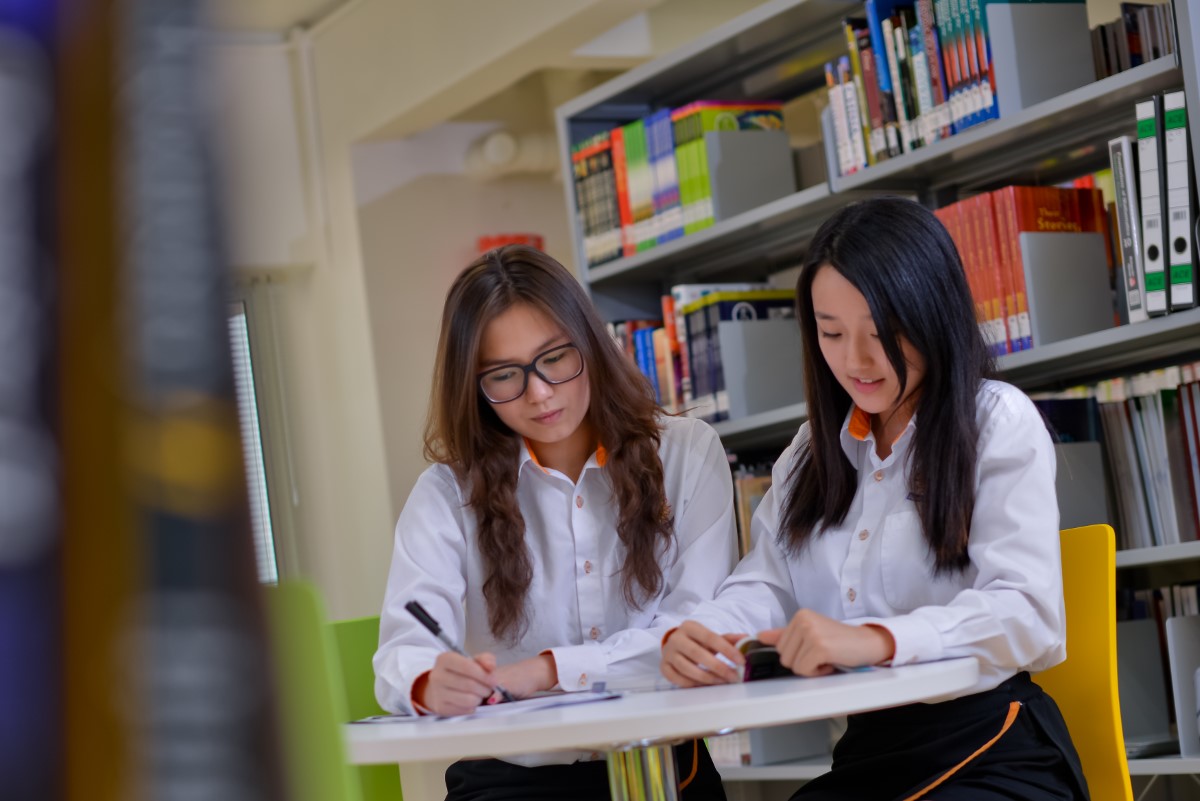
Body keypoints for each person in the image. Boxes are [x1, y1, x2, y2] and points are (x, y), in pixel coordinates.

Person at [660, 197, 1090, 800]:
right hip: (870, 759)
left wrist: (876, 640)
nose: (855, 361)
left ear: (932, 314)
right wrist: (701, 633)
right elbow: (765, 586)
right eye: (831, 333)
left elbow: (1028, 615)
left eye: (881, 333)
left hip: (991, 752)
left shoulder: (994, 420)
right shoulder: (814, 451)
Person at [374, 245, 735, 800]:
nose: (539, 393)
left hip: (664, 770)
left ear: (590, 342)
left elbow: (694, 635)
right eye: (504, 375)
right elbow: (402, 651)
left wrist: (550, 670)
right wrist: (427, 681)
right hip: (512, 782)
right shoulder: (447, 494)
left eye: (555, 358)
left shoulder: (686, 455)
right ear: (474, 387)